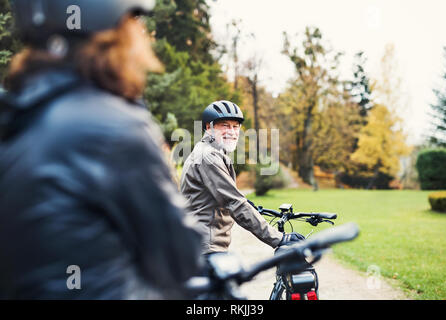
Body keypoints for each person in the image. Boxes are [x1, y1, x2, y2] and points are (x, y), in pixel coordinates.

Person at [0, 0, 202, 299]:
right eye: (135, 22)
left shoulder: (16, 119)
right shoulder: (114, 126)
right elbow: (181, 259)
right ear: (113, 26)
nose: (142, 36)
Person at [180, 100, 304, 256]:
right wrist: (278, 238)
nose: (231, 131)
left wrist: (249, 206)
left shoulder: (211, 151)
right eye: (224, 125)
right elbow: (234, 202)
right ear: (208, 127)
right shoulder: (208, 156)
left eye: (235, 126)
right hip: (204, 248)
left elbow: (227, 197)